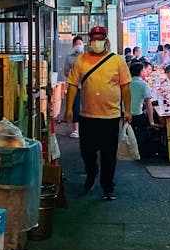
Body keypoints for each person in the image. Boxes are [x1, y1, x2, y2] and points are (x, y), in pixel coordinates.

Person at [65, 25, 132, 200]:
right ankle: (91, 172)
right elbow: (72, 84)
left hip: (110, 116)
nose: (96, 43)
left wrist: (128, 110)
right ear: (90, 41)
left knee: (109, 154)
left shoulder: (117, 60)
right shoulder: (82, 60)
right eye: (93, 39)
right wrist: (69, 108)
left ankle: (108, 187)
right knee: (87, 152)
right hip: (87, 116)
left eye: (99, 39)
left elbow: (125, 87)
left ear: (105, 41)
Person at [129, 60, 160, 157]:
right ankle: (149, 149)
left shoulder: (126, 83)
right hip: (137, 115)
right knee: (155, 115)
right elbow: (148, 104)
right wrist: (151, 122)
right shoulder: (143, 84)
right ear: (141, 72)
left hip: (126, 115)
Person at [62, 35, 84, 137]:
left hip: (88, 86)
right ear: (73, 46)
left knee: (88, 107)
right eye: (76, 44)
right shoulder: (69, 58)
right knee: (76, 107)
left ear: (83, 44)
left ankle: (87, 129)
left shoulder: (88, 57)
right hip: (75, 86)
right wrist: (73, 74)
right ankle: (76, 129)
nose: (78, 46)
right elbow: (66, 72)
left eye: (80, 44)